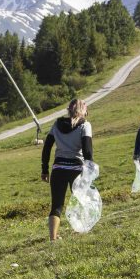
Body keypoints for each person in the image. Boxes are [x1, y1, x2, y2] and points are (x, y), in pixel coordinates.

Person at [41, 99, 93, 241]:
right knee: (81, 200)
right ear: (84, 111)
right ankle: (83, 230)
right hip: (76, 169)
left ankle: (52, 238)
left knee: (57, 205)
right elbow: (87, 150)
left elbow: (47, 148)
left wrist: (45, 169)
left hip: (58, 169)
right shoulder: (85, 125)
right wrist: (89, 169)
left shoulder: (57, 124)